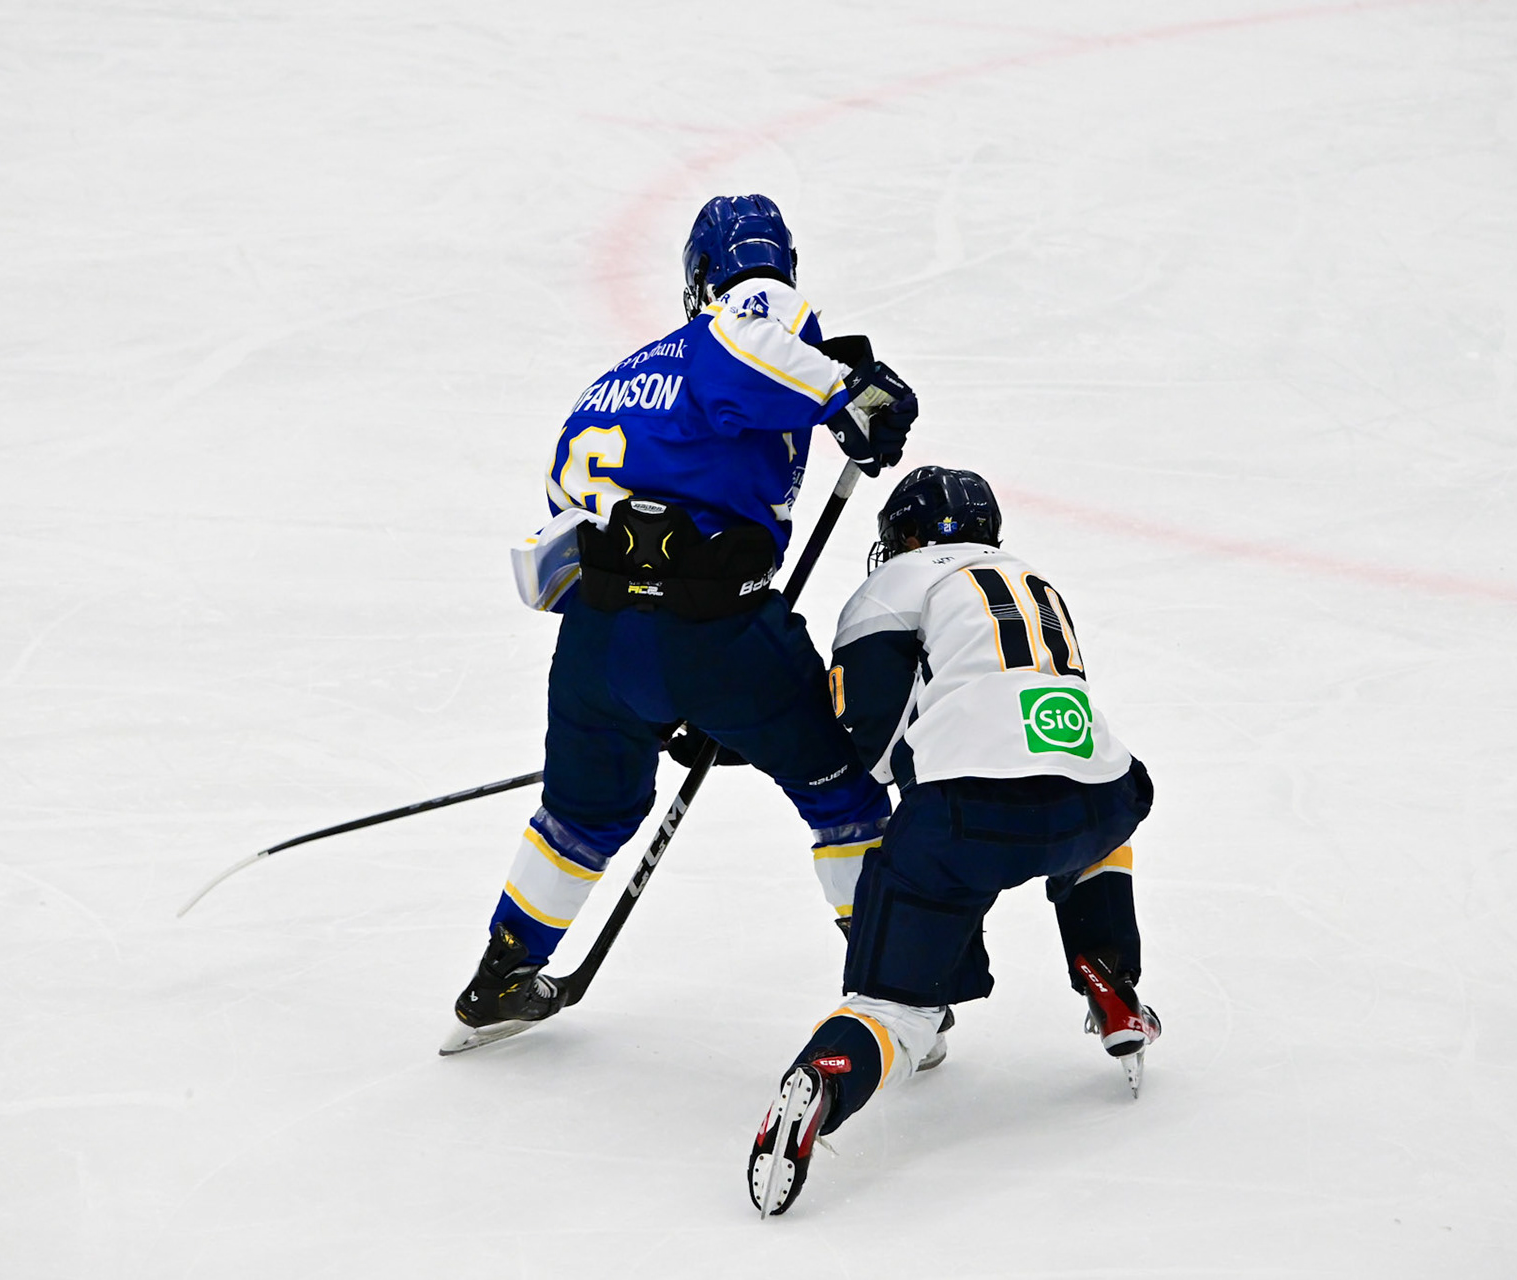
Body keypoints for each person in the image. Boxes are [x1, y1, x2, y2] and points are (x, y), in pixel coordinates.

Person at [445, 195, 921, 1049]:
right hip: (720, 634)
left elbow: (562, 510)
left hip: (596, 644)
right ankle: (897, 987)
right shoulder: (755, 309)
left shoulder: (615, 380)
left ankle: (503, 971)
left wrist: (656, 683)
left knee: (582, 815)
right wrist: (845, 394)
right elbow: (747, 343)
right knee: (840, 794)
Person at [747, 466, 1159, 1216]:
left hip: (968, 820)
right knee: (1100, 816)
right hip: (1099, 797)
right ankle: (1110, 974)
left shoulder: (890, 587)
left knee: (895, 1007)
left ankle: (828, 1076)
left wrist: (767, 735)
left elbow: (870, 747)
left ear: (905, 534)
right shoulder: (1032, 578)